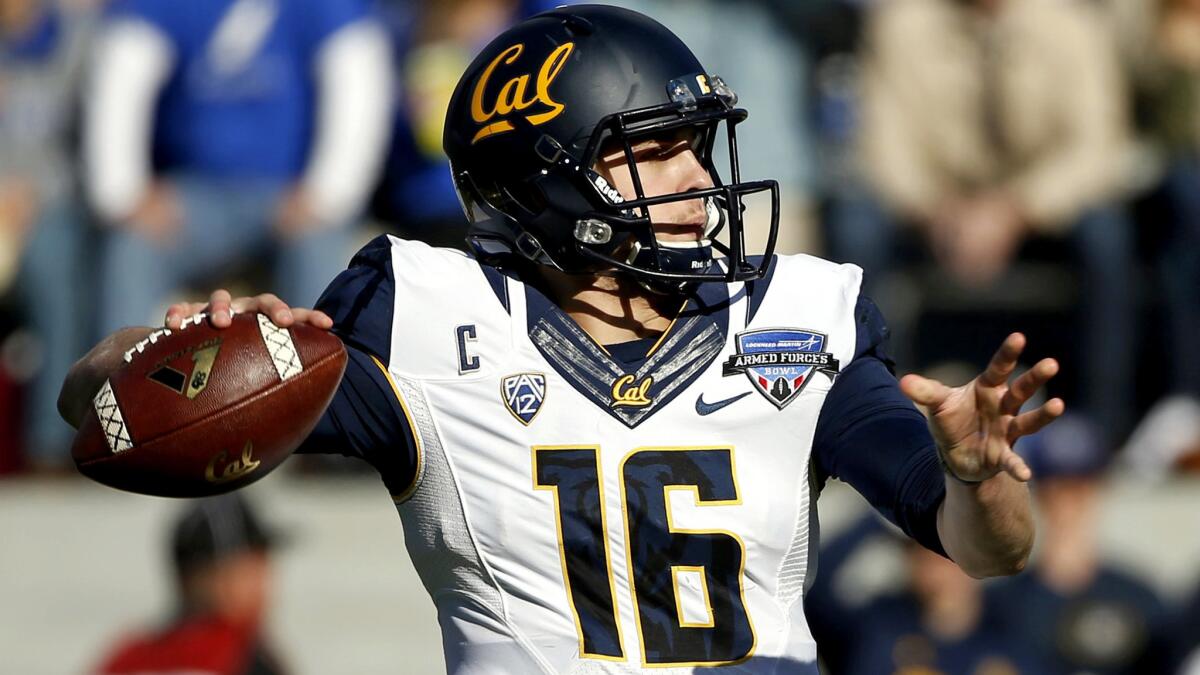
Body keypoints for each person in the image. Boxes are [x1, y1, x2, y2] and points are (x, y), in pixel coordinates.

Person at [60, 6, 1064, 672]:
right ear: (547, 178)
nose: (698, 182)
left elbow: (991, 552)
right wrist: (182, 348)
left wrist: (982, 477)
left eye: (696, 148)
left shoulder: (795, 321)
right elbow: (111, 415)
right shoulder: (424, 315)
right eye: (654, 151)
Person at [842, 0, 1135, 445]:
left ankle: (1102, 428)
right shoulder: (900, 26)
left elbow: (1096, 146)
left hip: (1039, 213)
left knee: (1107, 234)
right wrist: (937, 211)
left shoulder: (1072, 24)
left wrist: (1018, 210)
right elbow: (884, 146)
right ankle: (875, 422)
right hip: (937, 210)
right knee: (858, 226)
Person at [84, 0, 393, 335]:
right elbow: (121, 74)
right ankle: (121, 383)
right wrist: (125, 194)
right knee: (133, 250)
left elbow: (356, 79)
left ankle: (325, 379)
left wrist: (327, 194)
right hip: (192, 198)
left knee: (318, 257)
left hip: (290, 198)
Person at [987, 417, 1171, 674]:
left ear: (1098, 488)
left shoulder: (1139, 598)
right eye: (1057, 488)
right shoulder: (1000, 605)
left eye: (1079, 488)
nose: (1068, 502)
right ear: (1036, 492)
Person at [93, 494, 288, 675]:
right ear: (196, 580)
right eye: (247, 571)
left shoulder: (129, 654)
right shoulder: (237, 654)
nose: (262, 586)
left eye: (262, 566)